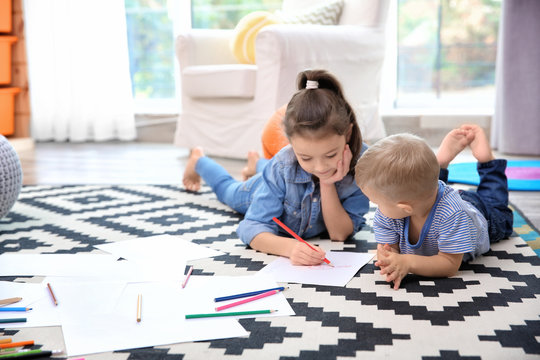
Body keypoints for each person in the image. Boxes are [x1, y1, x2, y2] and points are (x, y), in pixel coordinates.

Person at [183, 69, 370, 265]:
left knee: (278, 169)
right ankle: (198, 160)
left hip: (277, 174)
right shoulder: (283, 164)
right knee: (227, 190)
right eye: (305, 157)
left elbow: (339, 235)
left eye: (330, 155)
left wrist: (326, 183)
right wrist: (290, 248)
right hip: (257, 189)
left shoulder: (363, 163)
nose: (320, 166)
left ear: (348, 134)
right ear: (290, 144)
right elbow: (251, 228)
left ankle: (257, 164)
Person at [354, 124, 513, 290]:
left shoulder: (452, 215)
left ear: (405, 208)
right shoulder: (390, 213)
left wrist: (408, 262)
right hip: (431, 196)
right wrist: (388, 255)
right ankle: (439, 165)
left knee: (498, 209)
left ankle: (488, 163)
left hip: (480, 214)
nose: (377, 208)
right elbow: (389, 246)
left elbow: (450, 265)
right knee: (420, 184)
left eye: (377, 202)